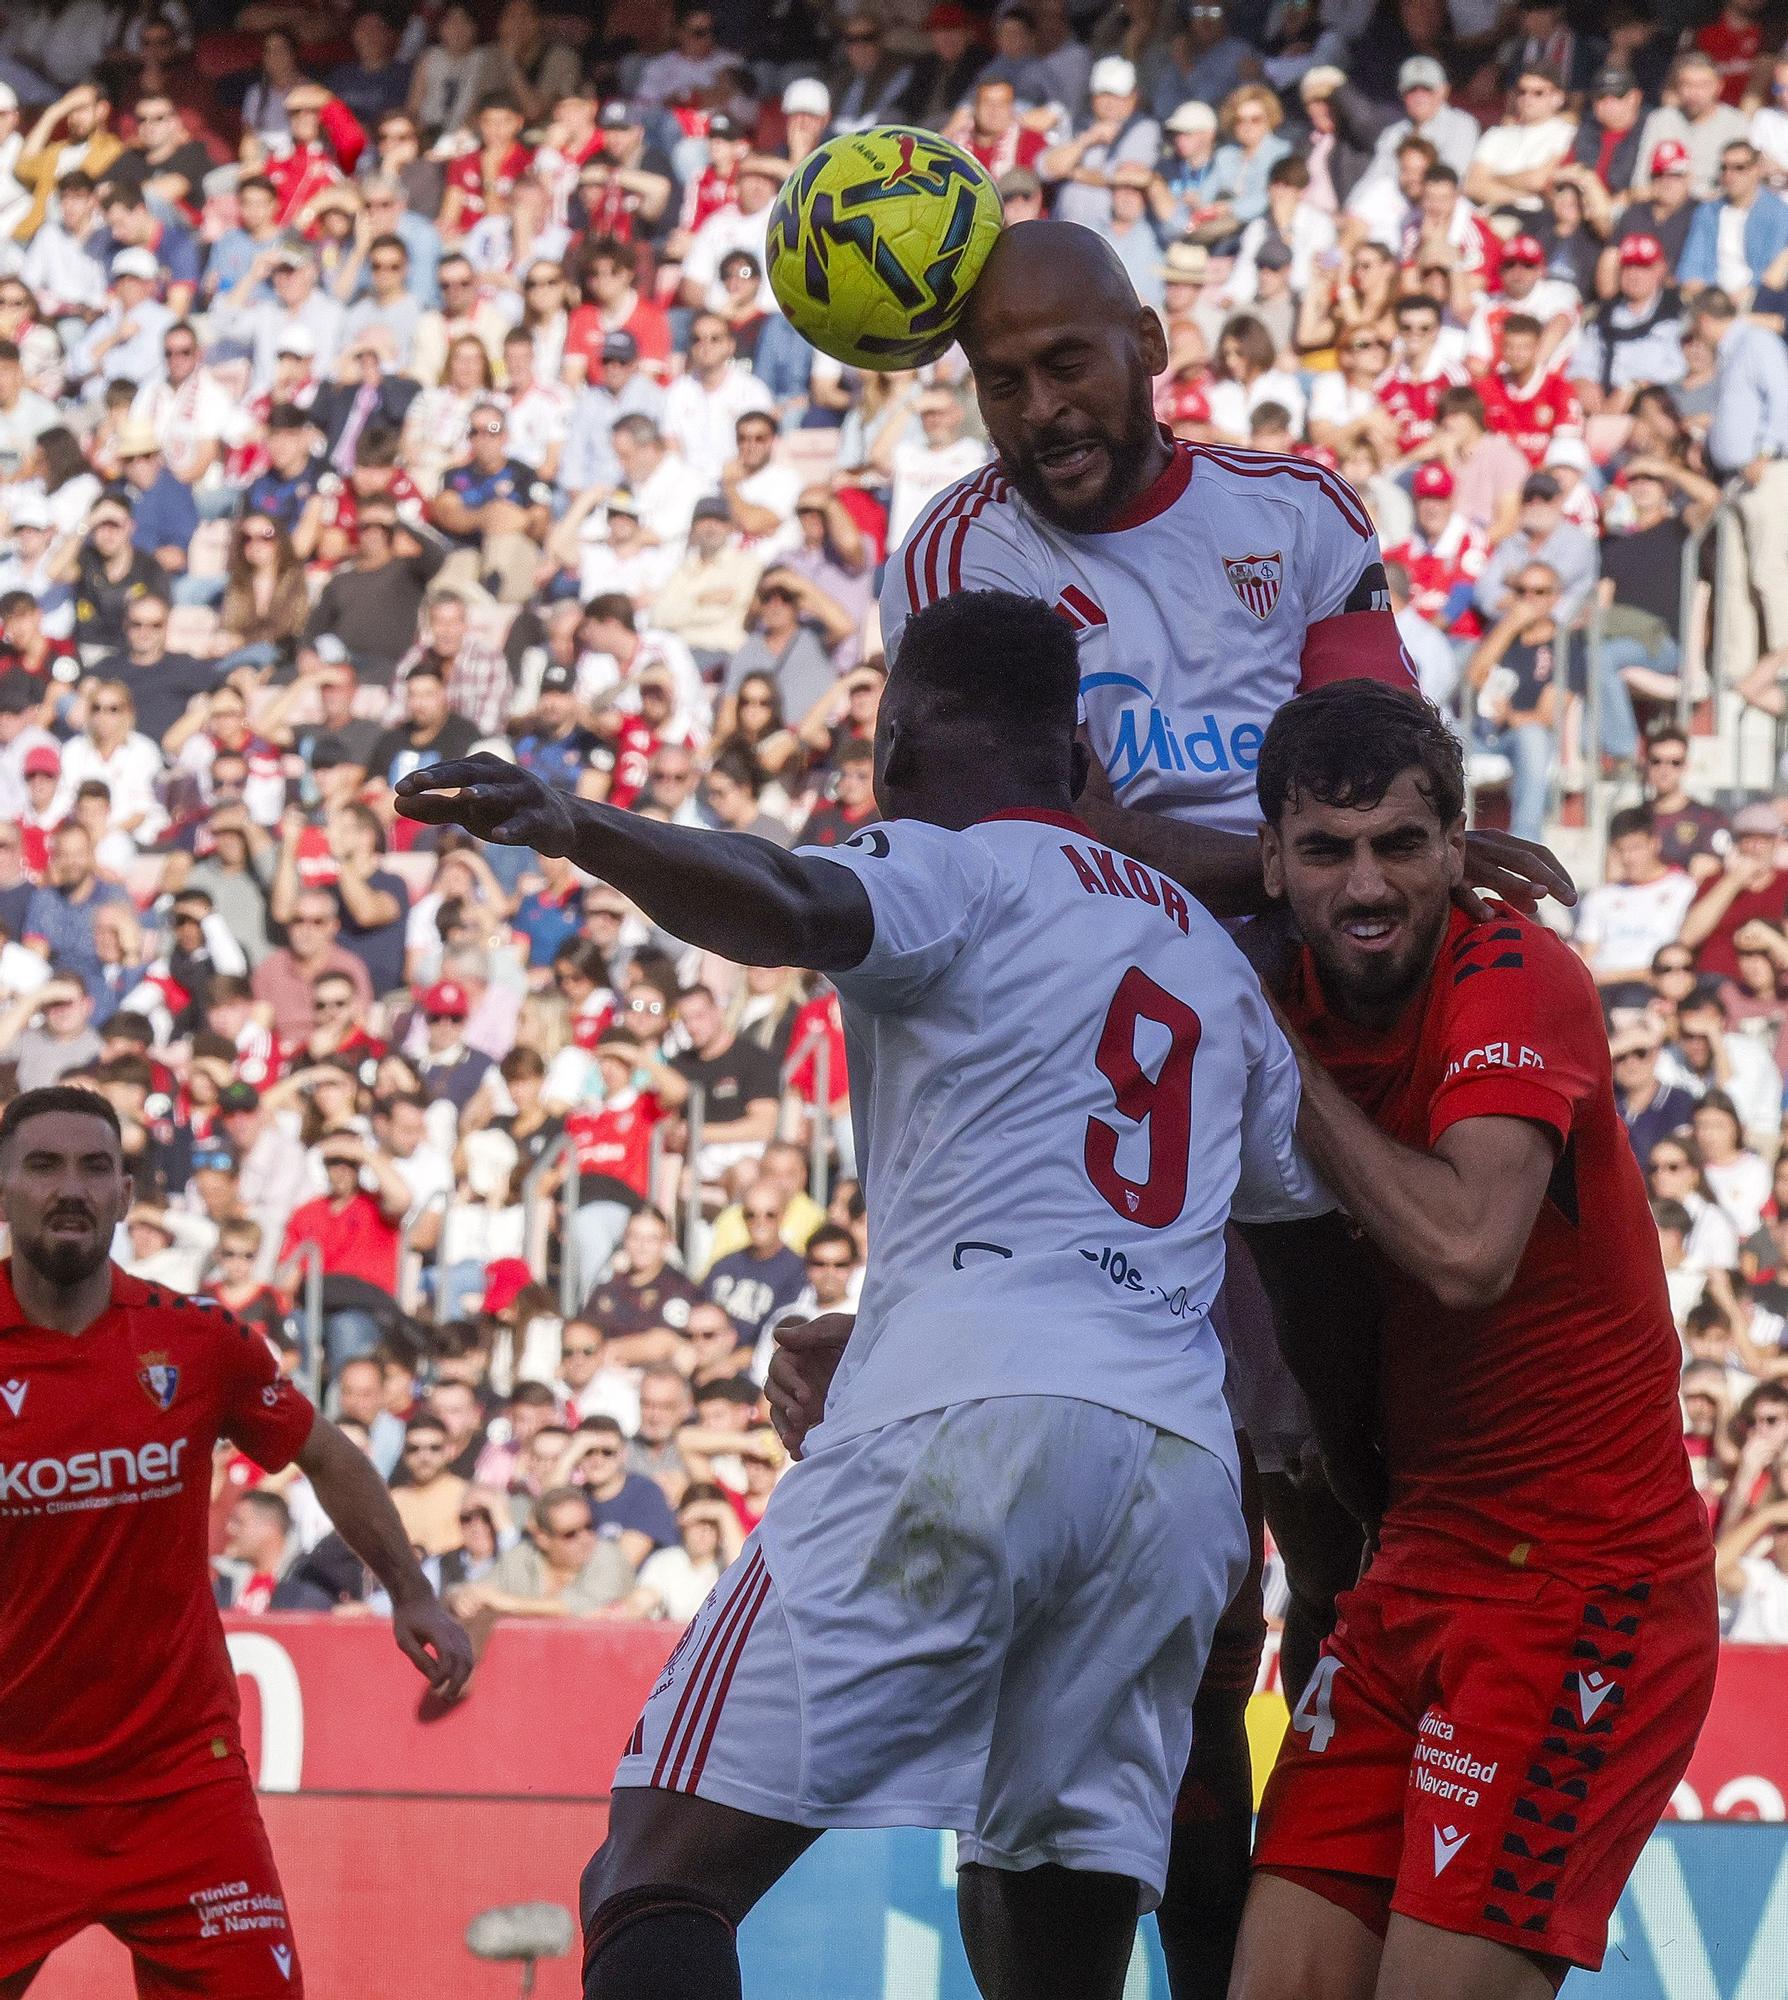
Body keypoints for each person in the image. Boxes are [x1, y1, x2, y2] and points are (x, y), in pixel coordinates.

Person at [396, 585, 1335, 2000]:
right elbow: (1269, 1229)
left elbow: (795, 900)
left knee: (654, 1867)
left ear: (899, 738)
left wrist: (583, 829)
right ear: (1077, 758)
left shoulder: (949, 865)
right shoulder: (1206, 956)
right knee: (1047, 1913)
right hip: (1173, 1475)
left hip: (962, 1420)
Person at [1214, 681, 1718, 1999]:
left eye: (1400, 844)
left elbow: (1463, 1253)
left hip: (1582, 1586)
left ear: (1461, 848)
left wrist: (1283, 1070)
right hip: (1416, 1572)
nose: (1366, 883)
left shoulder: (1514, 973)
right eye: (1326, 850)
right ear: (1272, 861)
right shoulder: (1269, 994)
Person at [0, 1086, 470, 1997]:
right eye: (44, 1165)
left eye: (95, 1167)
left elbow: (329, 1456)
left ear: (127, 1192)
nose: (72, 1187)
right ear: (4, 1186)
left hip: (182, 1787)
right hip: (11, 1794)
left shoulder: (197, 1340)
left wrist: (411, 1589)